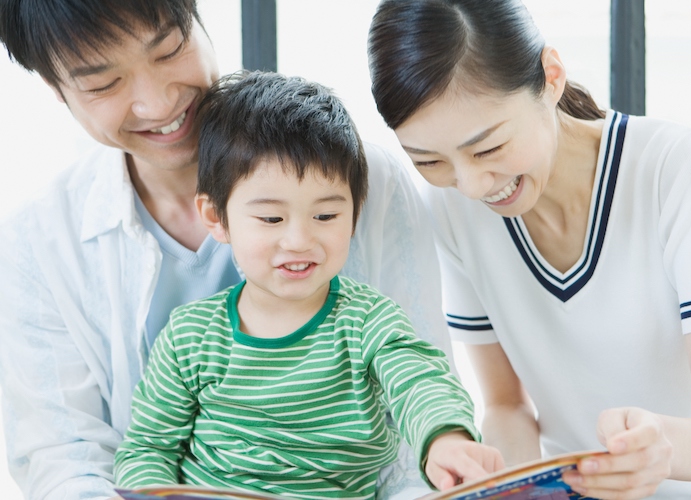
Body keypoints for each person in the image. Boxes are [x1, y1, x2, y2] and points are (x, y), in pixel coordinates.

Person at [0, 1, 453, 499]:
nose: (158, 102)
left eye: (169, 50)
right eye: (103, 84)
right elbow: (66, 456)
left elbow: (417, 405)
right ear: (56, 89)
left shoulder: (362, 178)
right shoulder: (38, 242)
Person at [113, 71, 503, 499]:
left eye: (325, 216)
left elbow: (420, 381)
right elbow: (147, 449)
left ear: (355, 213)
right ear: (216, 218)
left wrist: (444, 440)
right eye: (271, 219)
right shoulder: (189, 337)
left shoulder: (368, 322)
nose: (299, 241)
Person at [366, 0, 691, 499]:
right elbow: (505, 405)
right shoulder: (450, 206)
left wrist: (663, 448)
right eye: (430, 161)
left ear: (552, 75)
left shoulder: (675, 173)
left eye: (489, 148)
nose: (473, 185)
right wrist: (502, 486)